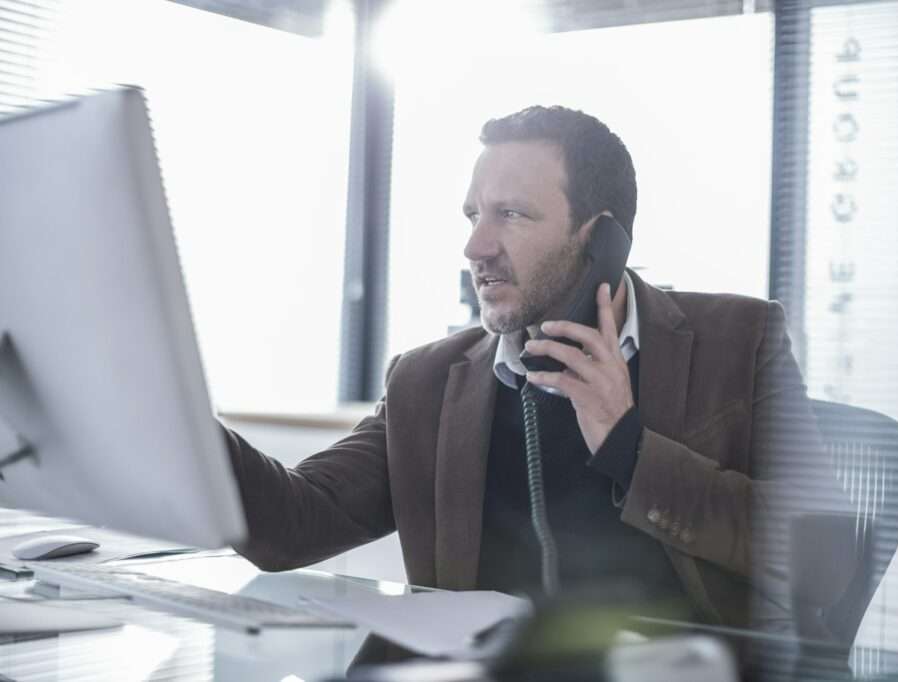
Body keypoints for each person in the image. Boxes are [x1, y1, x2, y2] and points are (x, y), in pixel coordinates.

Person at [223, 105, 847, 631]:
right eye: (473, 215)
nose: (476, 246)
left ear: (600, 238)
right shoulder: (426, 383)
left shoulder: (738, 342)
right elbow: (290, 526)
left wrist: (629, 448)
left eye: (512, 215)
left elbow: (827, 564)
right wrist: (168, 410)